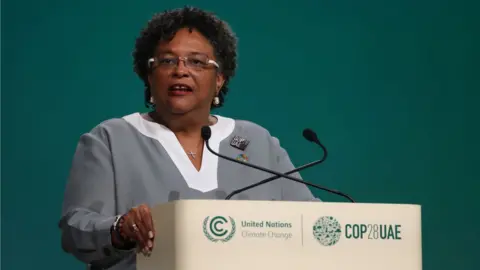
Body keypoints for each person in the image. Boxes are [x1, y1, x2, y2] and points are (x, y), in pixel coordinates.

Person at [58, 6, 319, 270]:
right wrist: (119, 228)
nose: (180, 70)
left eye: (196, 61)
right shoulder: (110, 139)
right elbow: (74, 228)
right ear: (149, 75)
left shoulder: (256, 141)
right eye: (167, 61)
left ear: (219, 79)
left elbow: (312, 222)